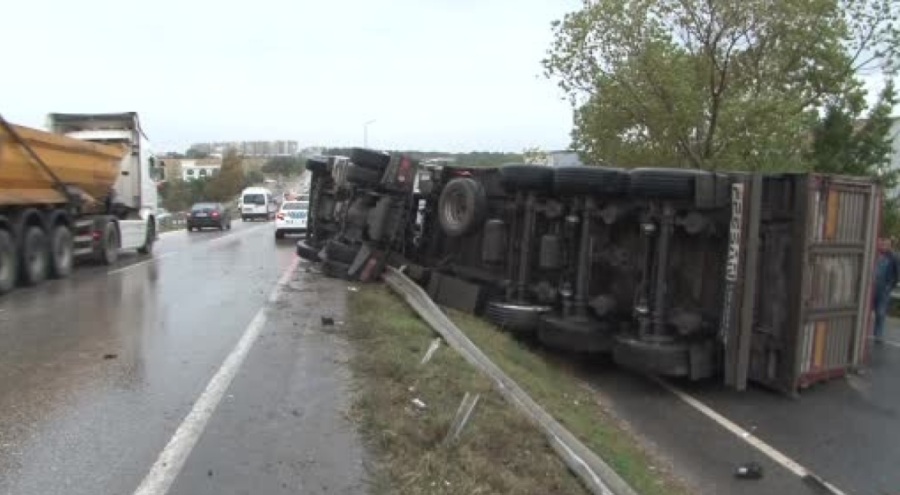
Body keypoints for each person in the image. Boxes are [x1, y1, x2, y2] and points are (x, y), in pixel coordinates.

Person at [872, 237, 899, 342]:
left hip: (884, 288)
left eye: (887, 244)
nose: (884, 246)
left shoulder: (894, 257)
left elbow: (897, 274)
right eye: (883, 244)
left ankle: (878, 334)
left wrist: (890, 286)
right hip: (873, 286)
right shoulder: (876, 254)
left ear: (890, 246)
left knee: (880, 312)